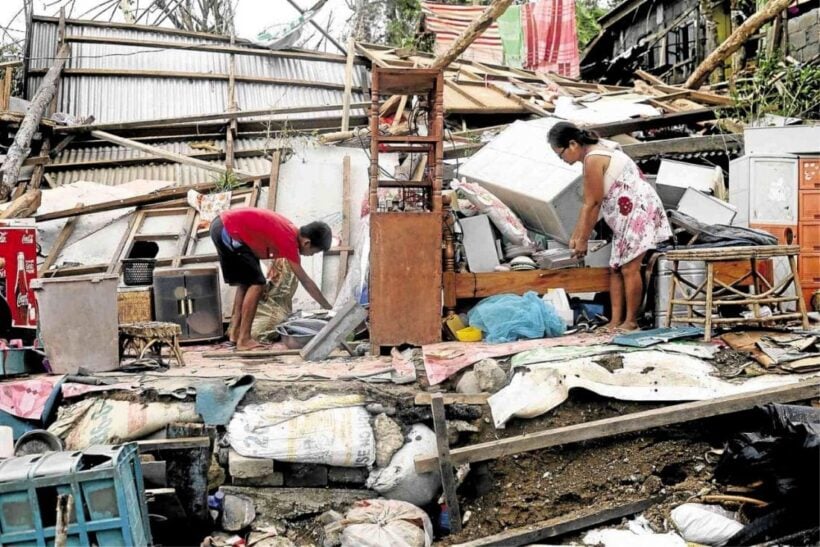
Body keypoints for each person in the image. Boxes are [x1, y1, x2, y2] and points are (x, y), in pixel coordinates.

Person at [547, 122, 672, 331]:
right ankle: (616, 321)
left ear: (572, 144)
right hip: (625, 214)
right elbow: (588, 203)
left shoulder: (594, 158)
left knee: (629, 268)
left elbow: (592, 203)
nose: (562, 160)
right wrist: (576, 236)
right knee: (615, 268)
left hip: (637, 211)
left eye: (560, 154)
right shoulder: (596, 152)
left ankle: (631, 322)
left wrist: (583, 240)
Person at [210, 208, 333, 350]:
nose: (311, 255)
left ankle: (235, 334)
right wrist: (328, 308)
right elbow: (305, 280)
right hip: (229, 229)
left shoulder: (289, 231)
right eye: (314, 252)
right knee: (258, 284)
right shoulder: (289, 239)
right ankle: (244, 339)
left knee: (246, 283)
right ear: (307, 243)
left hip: (223, 225)